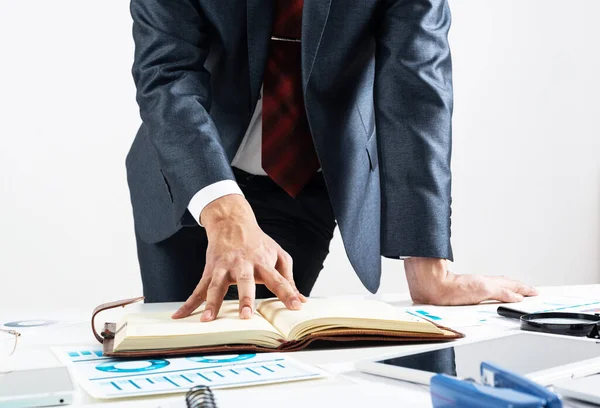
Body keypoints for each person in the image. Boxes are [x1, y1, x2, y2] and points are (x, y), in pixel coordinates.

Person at [126, 0, 537, 322]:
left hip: (301, 181)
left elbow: (416, 90)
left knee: (266, 349)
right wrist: (226, 214)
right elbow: (166, 74)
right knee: (184, 351)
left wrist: (429, 270)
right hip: (193, 182)